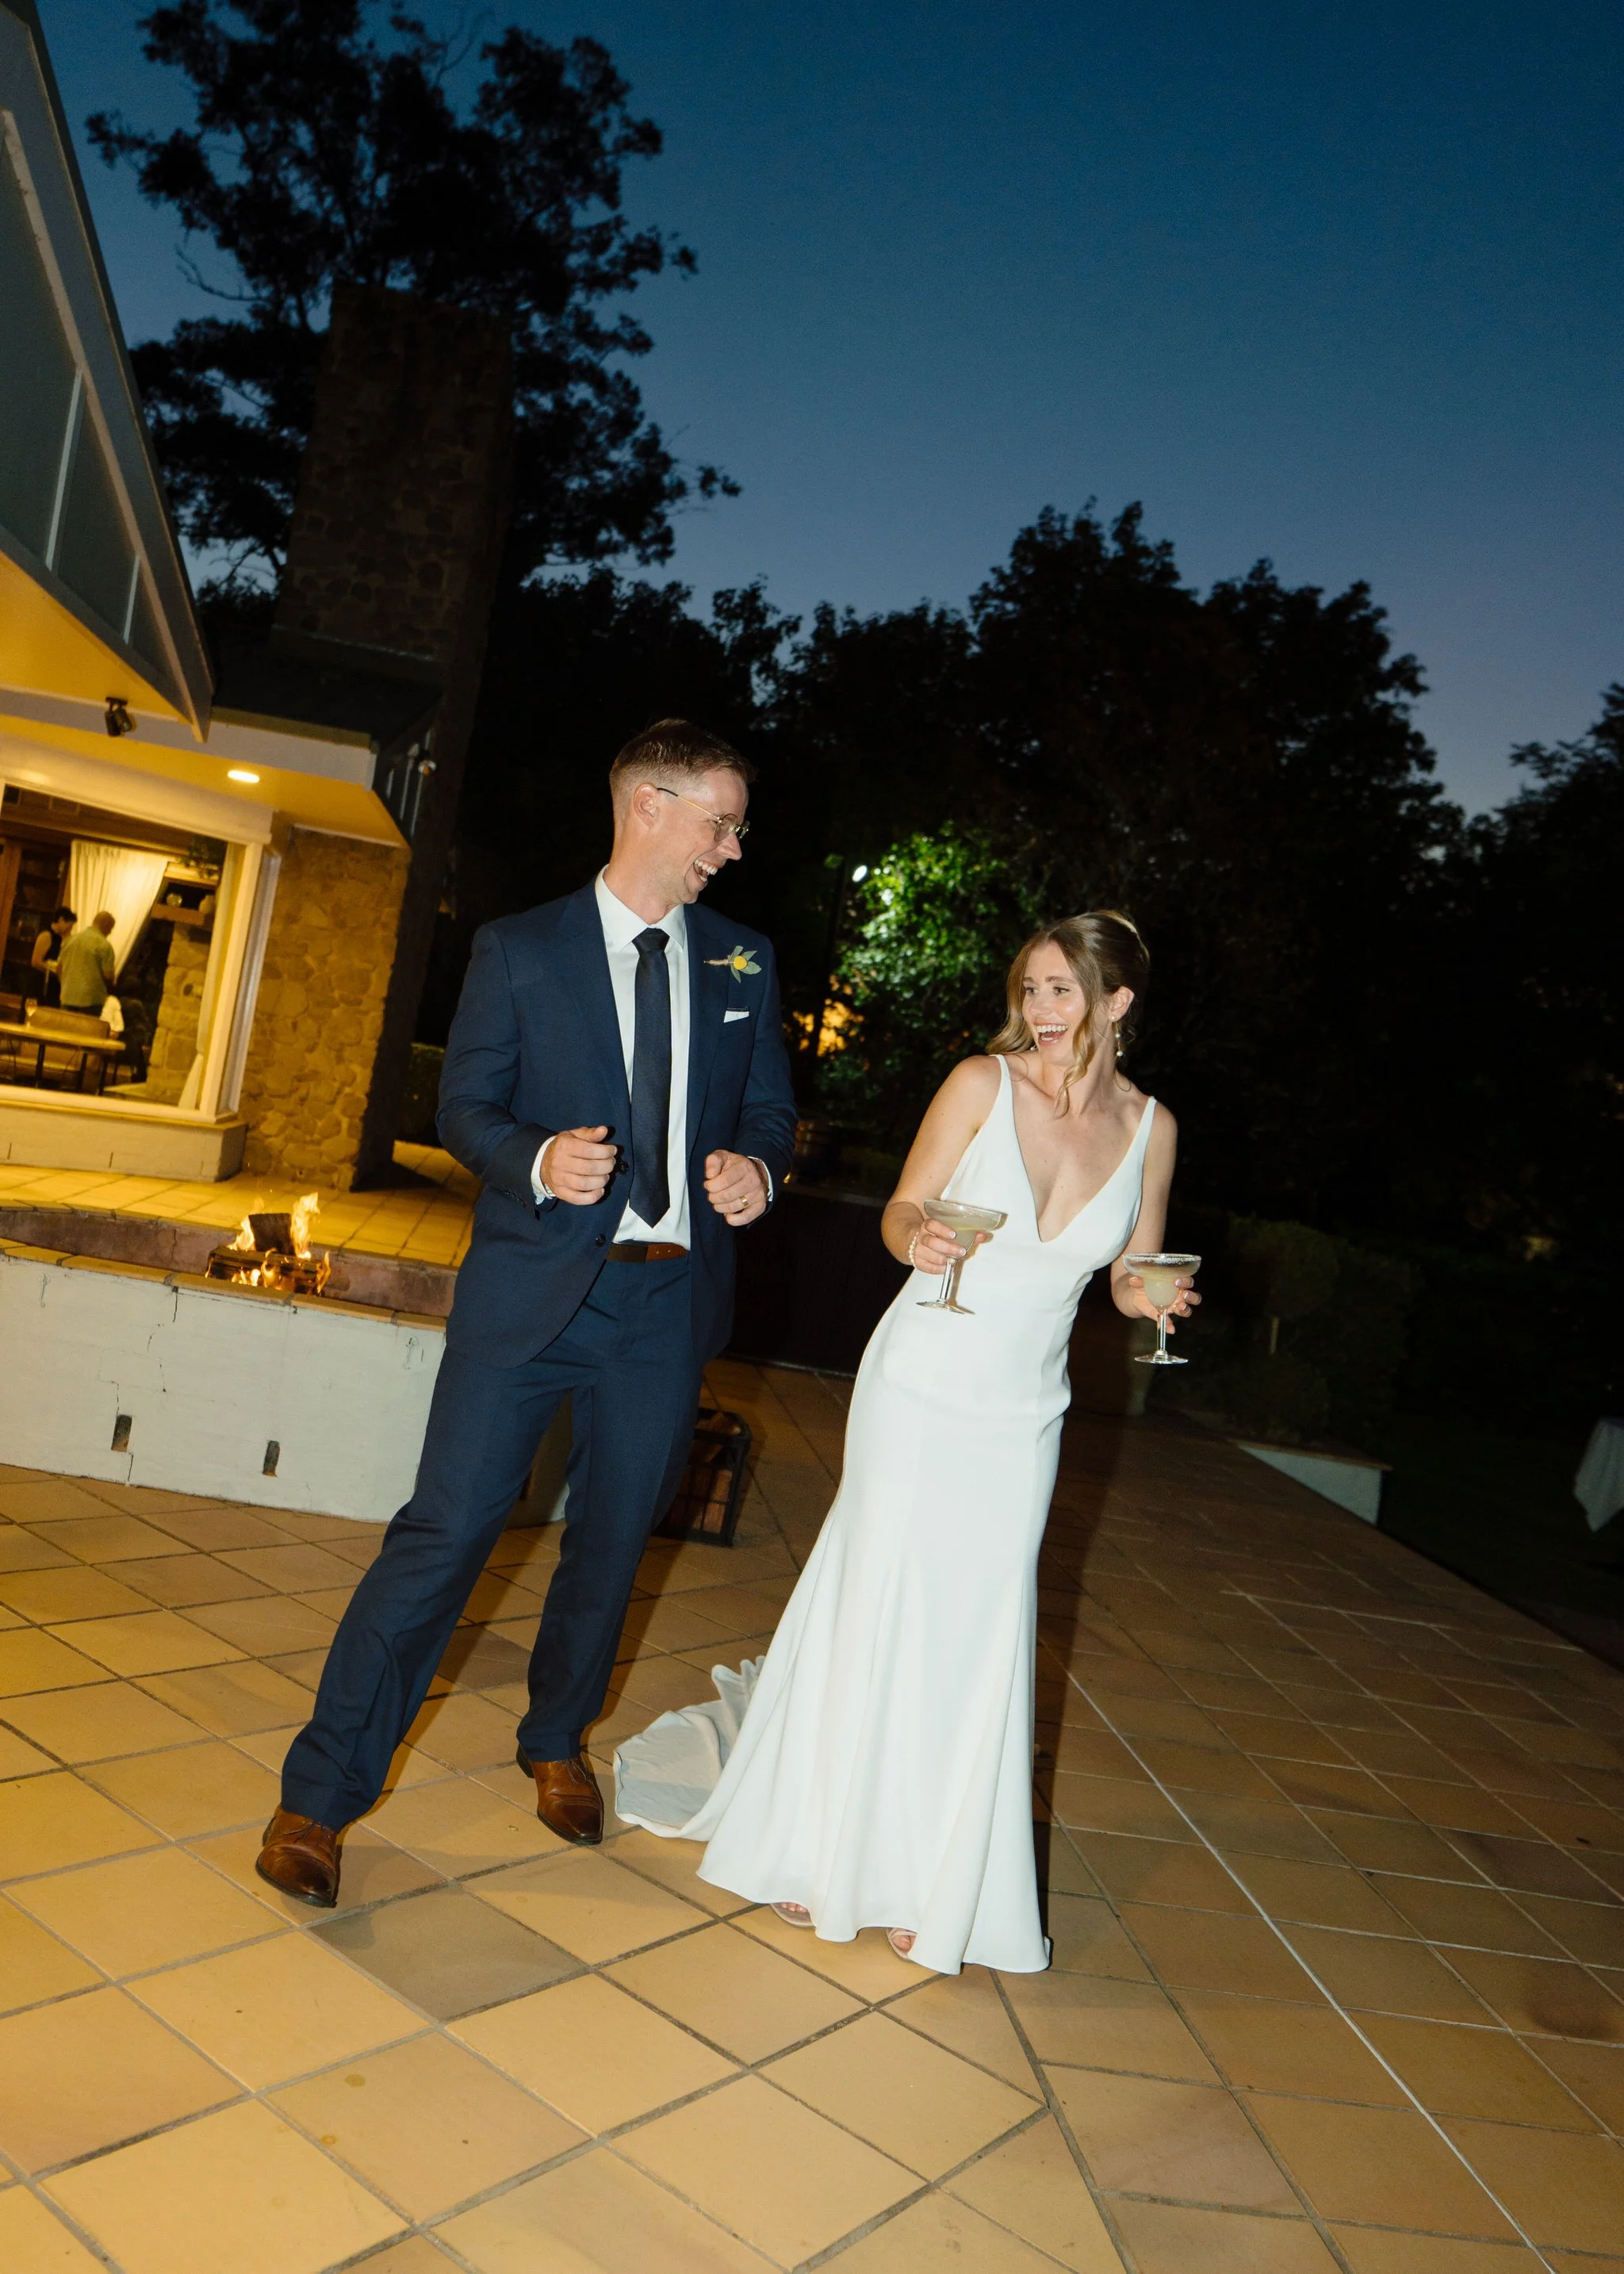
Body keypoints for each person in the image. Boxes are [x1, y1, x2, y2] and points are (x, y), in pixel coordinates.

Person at [256, 721, 797, 1906]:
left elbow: (769, 1117)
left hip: (665, 1300)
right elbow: (465, 1106)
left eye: (737, 826)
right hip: (533, 1293)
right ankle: (319, 1795)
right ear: (648, 806)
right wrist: (541, 1156)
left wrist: (761, 1172)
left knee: (612, 1538)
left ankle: (557, 1737)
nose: (732, 848)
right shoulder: (519, 949)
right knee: (446, 1531)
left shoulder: (744, 962)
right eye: (720, 821)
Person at [615, 911, 1197, 1974]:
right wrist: (917, 1235)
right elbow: (900, 1213)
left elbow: (1126, 1270)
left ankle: (931, 1869)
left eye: (1065, 991)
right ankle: (813, 1838)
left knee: (980, 1623)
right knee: (877, 1594)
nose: (1042, 1010)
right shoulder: (981, 1082)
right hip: (923, 1371)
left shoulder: (1153, 1126)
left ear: (1117, 1003)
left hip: (1026, 1404)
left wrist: (1157, 1292)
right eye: (1032, 988)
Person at [55, 911, 116, 1014]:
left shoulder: (70, 940)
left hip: (67, 996)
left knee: (65, 1029)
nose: (110, 932)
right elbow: (108, 976)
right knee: (85, 1029)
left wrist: (66, 984)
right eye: (111, 928)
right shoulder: (104, 945)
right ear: (106, 925)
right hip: (91, 1000)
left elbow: (59, 968)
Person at [29, 907, 75, 1005]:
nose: (70, 930)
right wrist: (55, 970)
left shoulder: (60, 939)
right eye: (70, 926)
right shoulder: (46, 935)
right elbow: (35, 962)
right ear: (61, 920)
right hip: (40, 984)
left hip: (51, 985)